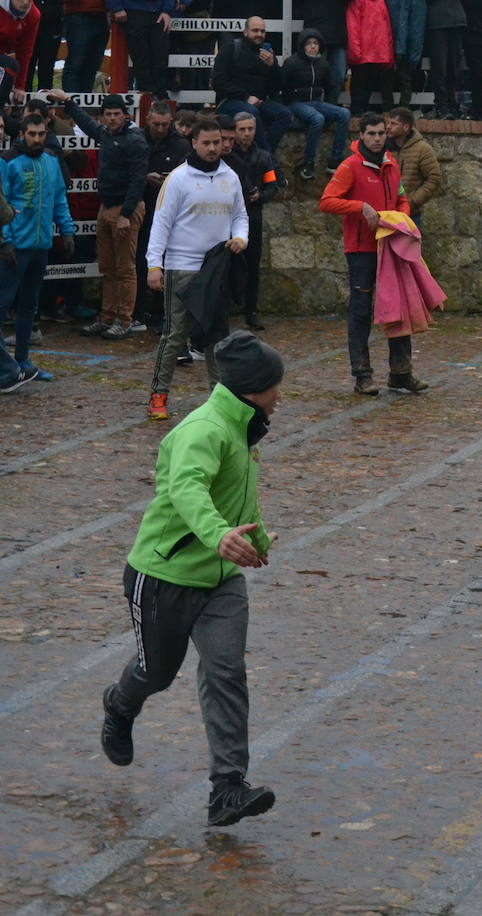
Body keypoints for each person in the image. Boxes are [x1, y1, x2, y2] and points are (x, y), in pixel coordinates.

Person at [100, 330, 283, 828]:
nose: (279, 395)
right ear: (251, 389)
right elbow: (187, 490)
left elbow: (237, 497)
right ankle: (119, 706)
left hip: (221, 581)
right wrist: (218, 535)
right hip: (162, 577)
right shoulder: (205, 429)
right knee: (155, 673)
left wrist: (256, 538)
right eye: (274, 386)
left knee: (225, 672)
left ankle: (227, 787)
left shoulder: (244, 426)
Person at [145, 118, 249, 420]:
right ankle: (158, 395)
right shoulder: (178, 178)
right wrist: (155, 264)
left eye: (218, 142)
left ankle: (219, 399)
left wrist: (241, 237)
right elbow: (160, 222)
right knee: (175, 334)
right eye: (207, 143)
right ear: (194, 143)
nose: (214, 148)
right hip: (182, 266)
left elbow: (240, 215)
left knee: (217, 335)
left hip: (216, 269)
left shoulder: (231, 177)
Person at [319, 112, 427, 395]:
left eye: (381, 134)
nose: (378, 139)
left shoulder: (391, 165)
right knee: (360, 311)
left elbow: (402, 199)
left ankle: (401, 372)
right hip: (362, 250)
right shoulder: (350, 166)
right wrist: (359, 207)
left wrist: (400, 218)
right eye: (372, 134)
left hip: (390, 247)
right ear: (361, 136)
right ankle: (362, 375)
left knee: (398, 307)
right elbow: (327, 201)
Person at [49, 90, 149, 341]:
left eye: (117, 114)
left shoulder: (135, 141)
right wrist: (68, 102)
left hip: (124, 208)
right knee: (107, 266)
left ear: (125, 116)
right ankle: (107, 317)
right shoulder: (105, 134)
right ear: (104, 116)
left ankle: (124, 320)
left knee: (125, 268)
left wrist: (127, 213)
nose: (112, 118)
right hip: (106, 207)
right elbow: (87, 123)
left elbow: (138, 180)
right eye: (109, 114)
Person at [0, 113, 74, 392]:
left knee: (29, 307)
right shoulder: (8, 162)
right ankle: (5, 368)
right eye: (32, 134)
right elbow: (2, 203)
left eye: (41, 134)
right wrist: (4, 240)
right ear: (22, 135)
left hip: (40, 245)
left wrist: (66, 230)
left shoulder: (51, 162)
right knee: (3, 305)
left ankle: (23, 361)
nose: (37, 139)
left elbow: (58, 199)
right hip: (15, 246)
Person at [134, 100, 189, 334]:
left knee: (166, 262)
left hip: (169, 211)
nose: (160, 129)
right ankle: (137, 311)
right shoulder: (138, 139)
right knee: (139, 261)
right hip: (143, 205)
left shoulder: (180, 145)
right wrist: (145, 176)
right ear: (148, 120)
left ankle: (159, 312)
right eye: (156, 124)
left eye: (165, 125)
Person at [213, 17, 292, 166]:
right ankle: (271, 165)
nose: (259, 34)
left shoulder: (267, 53)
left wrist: (272, 66)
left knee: (284, 114)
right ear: (245, 32)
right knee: (251, 114)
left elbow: (277, 87)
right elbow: (218, 82)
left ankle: (262, 156)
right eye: (255, 30)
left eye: (262, 31)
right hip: (229, 101)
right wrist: (246, 97)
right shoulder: (230, 49)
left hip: (259, 102)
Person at [282, 28, 351, 179]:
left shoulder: (323, 64)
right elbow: (282, 87)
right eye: (308, 43)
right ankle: (309, 163)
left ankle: (335, 160)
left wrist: (330, 105)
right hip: (296, 103)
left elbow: (331, 87)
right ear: (302, 46)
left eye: (315, 43)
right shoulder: (291, 62)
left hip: (317, 102)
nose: (313, 46)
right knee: (317, 118)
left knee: (344, 113)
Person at [230, 112, 276, 332]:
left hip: (253, 217)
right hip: (229, 217)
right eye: (242, 129)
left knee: (253, 266)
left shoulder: (264, 157)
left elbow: (272, 185)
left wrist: (261, 196)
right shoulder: (228, 156)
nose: (247, 134)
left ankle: (251, 310)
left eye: (250, 129)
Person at [385, 107, 442, 226]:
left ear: (406, 127)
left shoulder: (422, 149)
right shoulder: (382, 147)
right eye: (388, 122)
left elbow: (434, 178)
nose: (388, 127)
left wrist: (413, 201)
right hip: (384, 213)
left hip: (411, 215)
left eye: (394, 123)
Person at [109, 0, 172, 100]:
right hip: (133, 11)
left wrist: (167, 10)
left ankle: (160, 95)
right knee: (140, 57)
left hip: (158, 13)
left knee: (161, 57)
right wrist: (117, 7)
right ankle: (147, 95)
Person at [425, 0, 465, 119]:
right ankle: (441, 105)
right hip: (437, 22)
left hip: (456, 21)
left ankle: (452, 103)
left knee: (453, 68)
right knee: (439, 68)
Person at [60, 0, 107, 95]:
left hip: (102, 14)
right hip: (77, 13)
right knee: (76, 62)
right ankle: (71, 103)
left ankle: (85, 102)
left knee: (93, 64)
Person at [0, 0, 39, 105]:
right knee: (9, 66)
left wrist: (19, 86)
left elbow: (25, 52)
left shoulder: (33, 15)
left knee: (11, 67)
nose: (25, 2)